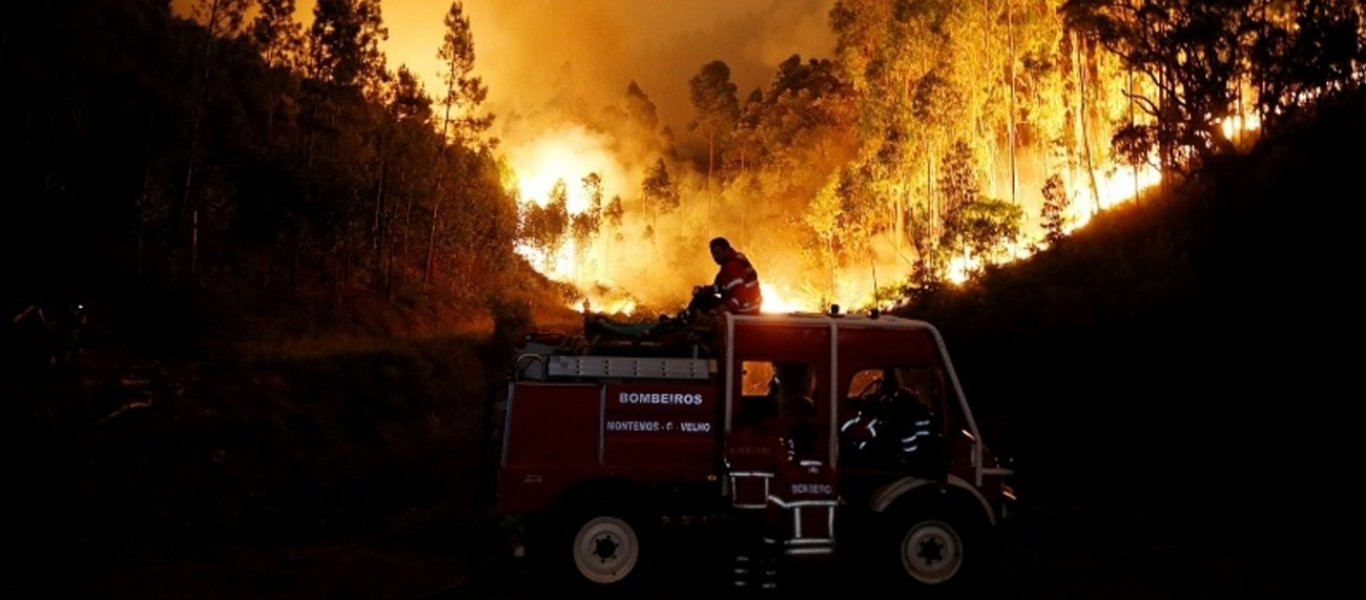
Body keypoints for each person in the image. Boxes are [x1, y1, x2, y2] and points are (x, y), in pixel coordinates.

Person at [690, 237, 762, 315]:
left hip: (745, 307)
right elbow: (720, 286)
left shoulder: (732, 267)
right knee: (703, 298)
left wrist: (723, 308)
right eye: (713, 254)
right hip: (750, 305)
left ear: (726, 251)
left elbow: (740, 296)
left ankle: (686, 321)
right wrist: (704, 291)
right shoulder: (731, 262)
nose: (715, 257)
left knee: (701, 301)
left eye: (717, 253)